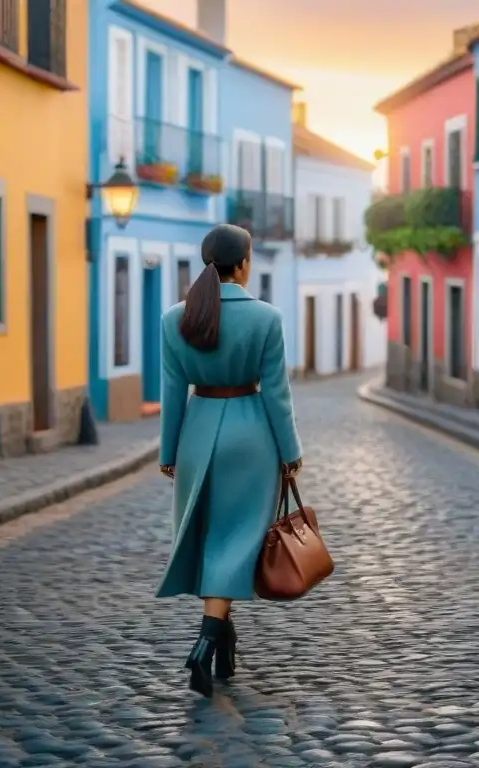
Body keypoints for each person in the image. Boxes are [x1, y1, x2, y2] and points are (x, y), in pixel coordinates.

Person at [155, 223, 303, 698]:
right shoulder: (266, 318)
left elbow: (172, 392)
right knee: (236, 541)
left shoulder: (174, 318)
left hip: (198, 433)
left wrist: (168, 451)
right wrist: (291, 451)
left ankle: (224, 644)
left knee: (210, 536)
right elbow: (277, 395)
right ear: (242, 264)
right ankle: (206, 643)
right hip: (251, 434)